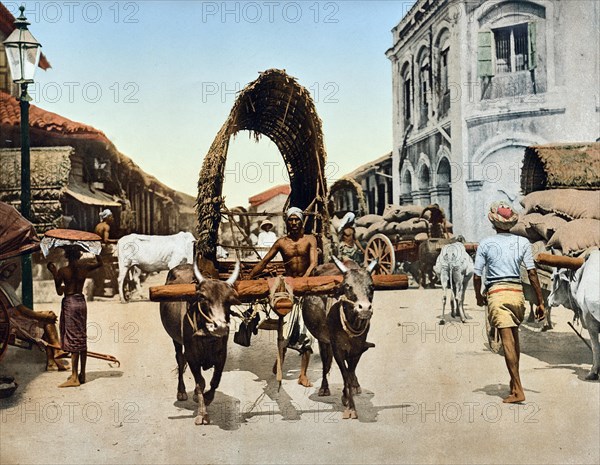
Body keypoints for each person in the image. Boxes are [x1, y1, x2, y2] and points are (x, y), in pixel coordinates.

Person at [473, 201, 545, 403]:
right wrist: (540, 302)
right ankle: (514, 386)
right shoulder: (522, 243)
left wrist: (479, 297)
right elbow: (532, 274)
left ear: (494, 224)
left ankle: (518, 389)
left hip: (498, 294)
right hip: (517, 294)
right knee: (514, 339)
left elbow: (477, 276)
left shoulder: (486, 244)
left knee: (507, 343)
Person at [249, 207, 318, 387]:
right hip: (288, 288)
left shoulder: (310, 239)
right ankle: (279, 362)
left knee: (306, 333)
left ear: (302, 221)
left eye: (297, 219)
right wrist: (248, 278)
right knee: (285, 329)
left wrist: (303, 281)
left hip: (306, 287)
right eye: (291, 220)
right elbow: (264, 262)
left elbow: (313, 264)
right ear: (287, 222)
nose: (294, 223)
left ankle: (303, 375)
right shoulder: (281, 242)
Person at [47, 246, 104, 388]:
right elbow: (100, 263)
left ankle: (74, 377)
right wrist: (95, 250)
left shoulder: (63, 271)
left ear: (66, 256)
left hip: (70, 303)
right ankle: (82, 374)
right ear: (79, 256)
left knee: (73, 338)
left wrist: (54, 274)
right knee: (81, 336)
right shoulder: (84, 268)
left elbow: (60, 292)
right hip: (81, 302)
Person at [0, 261, 69, 371]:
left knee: (46, 316)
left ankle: (53, 358)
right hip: (10, 319)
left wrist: (43, 315)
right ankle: (56, 352)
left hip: (11, 316)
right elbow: (20, 309)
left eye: (11, 271)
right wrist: (43, 316)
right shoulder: (3, 285)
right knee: (46, 321)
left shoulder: (4, 284)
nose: (9, 273)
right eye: (8, 269)